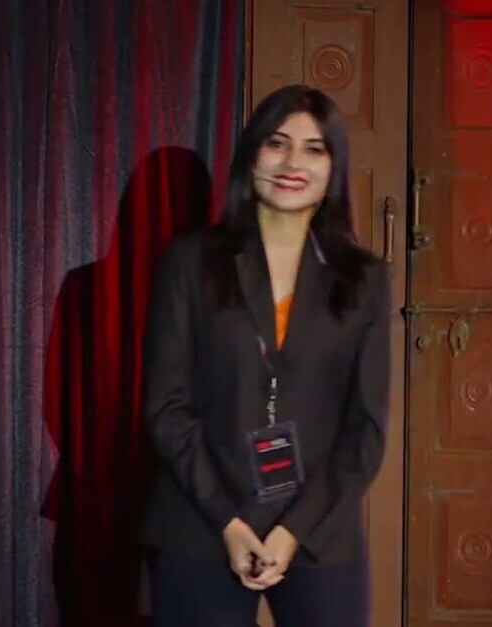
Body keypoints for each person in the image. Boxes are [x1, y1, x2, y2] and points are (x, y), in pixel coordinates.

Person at [140, 84, 391, 627]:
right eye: (277, 143)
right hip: (202, 520)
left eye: (314, 148)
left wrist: (293, 530)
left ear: (333, 169)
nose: (292, 162)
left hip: (318, 529)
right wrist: (229, 523)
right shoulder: (189, 262)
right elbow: (167, 406)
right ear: (251, 155)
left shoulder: (364, 279)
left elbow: (366, 428)